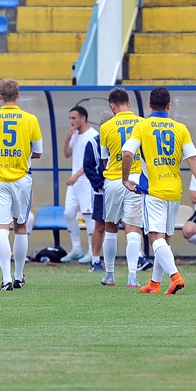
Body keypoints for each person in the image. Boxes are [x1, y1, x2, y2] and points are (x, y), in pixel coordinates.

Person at [122, 86, 196, 294]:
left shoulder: (142, 126)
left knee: (155, 238)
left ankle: (175, 276)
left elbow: (127, 154)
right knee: (165, 239)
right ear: (169, 106)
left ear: (150, 105)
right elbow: (193, 159)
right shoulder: (180, 128)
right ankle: (154, 283)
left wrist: (125, 179)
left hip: (154, 190)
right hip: (174, 189)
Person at [0, 78, 43, 291]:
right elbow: (38, 151)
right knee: (20, 226)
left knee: (0, 227)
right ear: (18, 96)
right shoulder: (30, 119)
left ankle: (6, 279)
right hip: (22, 177)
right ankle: (18, 276)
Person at [100, 87, 144, 288]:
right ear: (129, 103)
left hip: (113, 180)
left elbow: (104, 159)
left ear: (112, 106)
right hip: (135, 179)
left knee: (110, 226)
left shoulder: (106, 127)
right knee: (133, 228)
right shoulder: (142, 123)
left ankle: (109, 275)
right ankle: (132, 276)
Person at [61, 105, 98, 263]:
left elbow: (92, 161)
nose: (71, 121)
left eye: (74, 118)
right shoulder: (74, 135)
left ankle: (92, 251)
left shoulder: (93, 135)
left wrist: (76, 175)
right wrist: (67, 139)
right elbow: (67, 154)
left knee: (89, 215)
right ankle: (76, 248)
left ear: (83, 118)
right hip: (74, 181)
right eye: (70, 118)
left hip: (86, 180)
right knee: (68, 213)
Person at [83, 117, 109, 275]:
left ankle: (138, 258)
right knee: (100, 226)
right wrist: (99, 183)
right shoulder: (93, 143)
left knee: (130, 225)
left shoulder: (124, 139)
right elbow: (88, 166)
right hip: (101, 191)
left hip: (122, 189)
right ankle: (95, 260)